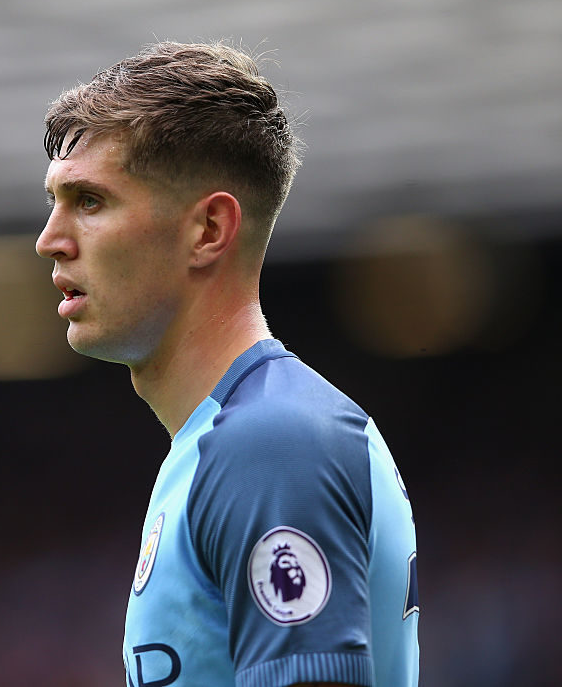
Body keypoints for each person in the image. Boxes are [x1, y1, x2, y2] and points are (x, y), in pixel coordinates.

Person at [36, 41, 419, 687]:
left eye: (90, 201)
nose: (50, 239)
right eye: (54, 200)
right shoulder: (224, 441)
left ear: (209, 230)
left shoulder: (272, 443)